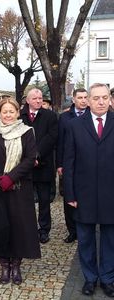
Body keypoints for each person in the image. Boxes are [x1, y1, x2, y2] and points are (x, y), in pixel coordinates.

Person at [0, 98, 41, 285]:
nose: (8, 115)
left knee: (19, 228)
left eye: (11, 111)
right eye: (4, 111)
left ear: (17, 113)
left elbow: (30, 158)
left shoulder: (27, 132)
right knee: (0, 228)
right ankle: (4, 265)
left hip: (20, 189)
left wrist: (11, 177)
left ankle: (16, 265)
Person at [63, 83, 114, 297]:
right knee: (85, 239)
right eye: (96, 98)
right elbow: (69, 161)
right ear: (88, 101)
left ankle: (108, 278)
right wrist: (70, 193)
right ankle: (90, 278)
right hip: (83, 194)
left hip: (111, 193)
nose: (101, 102)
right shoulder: (75, 125)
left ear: (110, 100)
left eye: (104, 97)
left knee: (110, 239)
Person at [20, 88, 58, 244]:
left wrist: (37, 154)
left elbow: (52, 136)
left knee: (44, 200)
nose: (38, 100)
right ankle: (27, 229)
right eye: (35, 98)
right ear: (27, 100)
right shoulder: (20, 115)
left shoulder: (50, 115)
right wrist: (29, 157)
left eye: (40, 98)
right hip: (24, 165)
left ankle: (44, 230)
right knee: (25, 200)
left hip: (44, 164)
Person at [56, 88, 88, 243]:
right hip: (68, 163)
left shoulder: (91, 115)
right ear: (73, 99)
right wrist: (59, 164)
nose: (83, 100)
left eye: (85, 97)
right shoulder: (64, 117)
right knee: (68, 196)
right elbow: (60, 141)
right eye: (80, 97)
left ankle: (85, 227)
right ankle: (72, 230)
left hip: (86, 163)